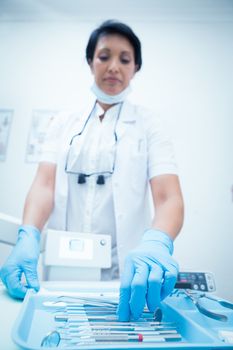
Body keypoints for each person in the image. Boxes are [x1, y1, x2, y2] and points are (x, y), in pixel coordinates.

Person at [0, 20, 184, 321]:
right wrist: (28, 234)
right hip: (61, 270)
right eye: (104, 56)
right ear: (90, 62)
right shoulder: (63, 122)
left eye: (124, 59)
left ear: (136, 67)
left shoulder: (150, 124)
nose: (113, 66)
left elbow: (168, 198)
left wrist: (157, 241)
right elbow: (44, 185)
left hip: (124, 273)